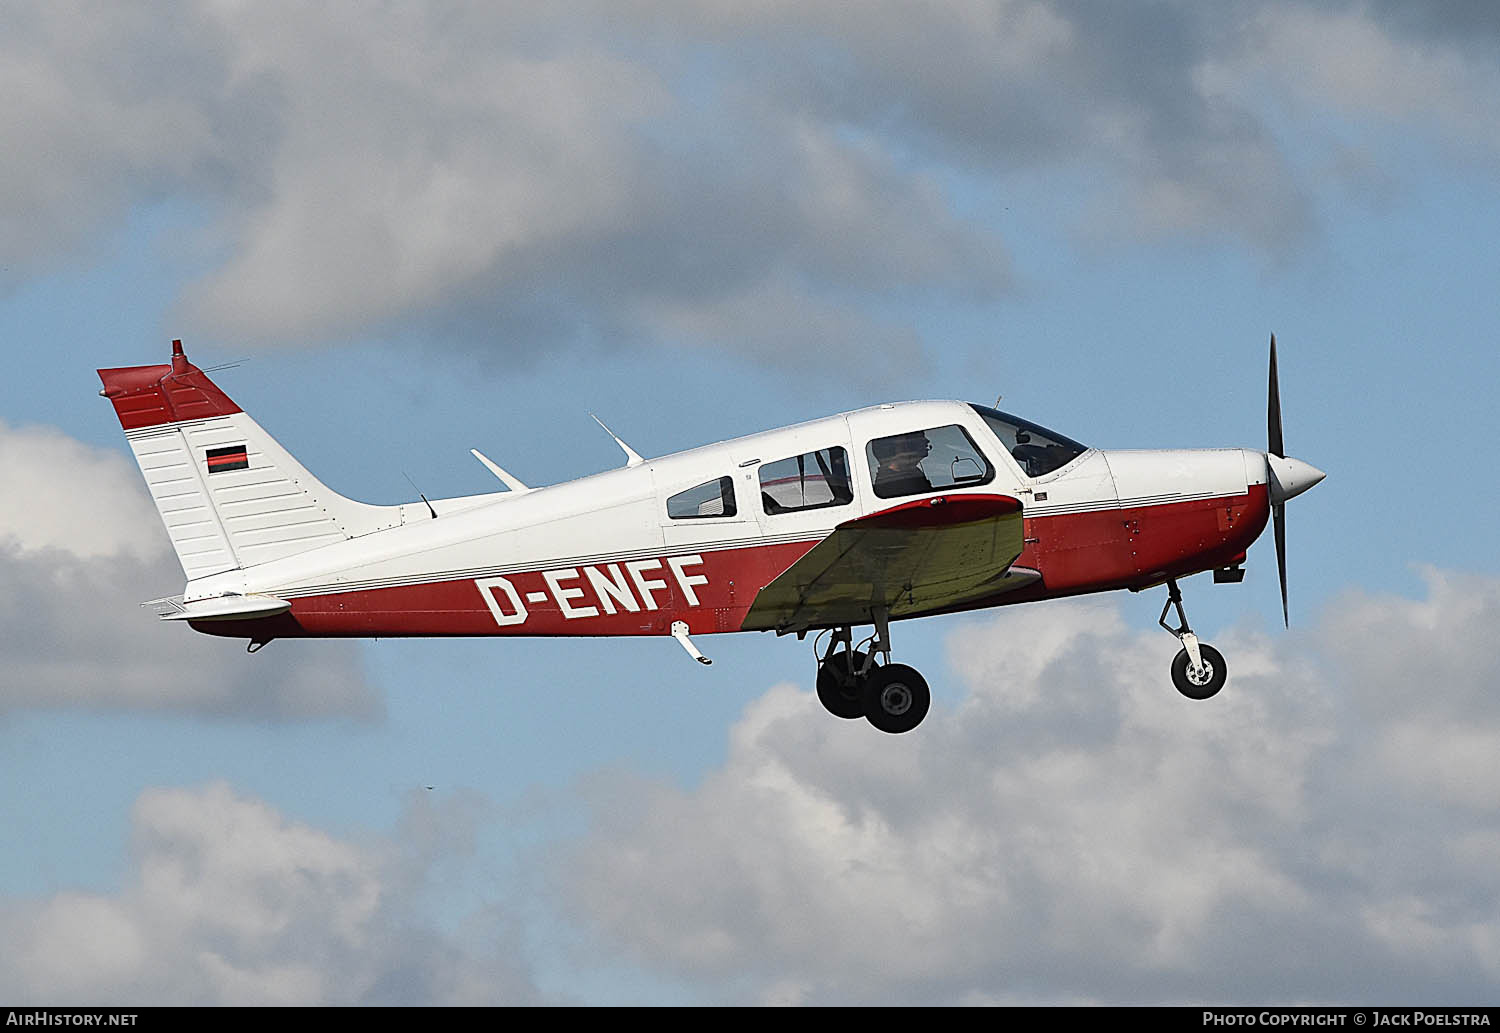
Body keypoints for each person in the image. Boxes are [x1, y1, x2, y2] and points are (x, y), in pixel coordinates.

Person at [872, 431, 933, 497]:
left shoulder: (914, 473)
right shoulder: (889, 484)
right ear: (903, 446)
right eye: (920, 438)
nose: (927, 441)